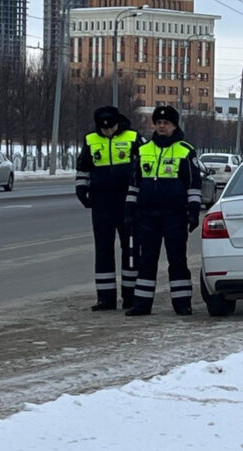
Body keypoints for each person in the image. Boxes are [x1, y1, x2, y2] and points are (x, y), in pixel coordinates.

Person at [124, 105, 202, 316]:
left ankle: (182, 303)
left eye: (166, 123)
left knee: (177, 260)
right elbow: (134, 185)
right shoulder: (143, 150)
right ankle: (141, 304)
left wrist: (193, 212)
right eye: (158, 123)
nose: (161, 126)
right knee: (146, 260)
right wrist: (129, 212)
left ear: (174, 125)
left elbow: (194, 185)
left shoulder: (185, 150)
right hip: (147, 215)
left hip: (174, 215)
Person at [75, 106, 141, 311]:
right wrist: (82, 191)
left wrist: (138, 194)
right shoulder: (90, 140)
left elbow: (142, 168)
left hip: (127, 202)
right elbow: (83, 168)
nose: (107, 132)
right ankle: (105, 298)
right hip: (101, 203)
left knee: (129, 249)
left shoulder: (133, 138)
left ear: (117, 123)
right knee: (103, 250)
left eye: (111, 128)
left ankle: (130, 296)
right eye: (103, 129)